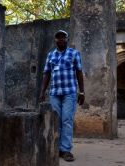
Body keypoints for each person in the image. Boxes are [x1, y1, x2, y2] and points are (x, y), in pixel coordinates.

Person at [39, 30, 85, 162]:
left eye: (63, 37)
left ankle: (66, 150)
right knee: (56, 121)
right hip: (54, 93)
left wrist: (81, 92)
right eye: (58, 38)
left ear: (67, 39)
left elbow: (79, 72)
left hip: (69, 93)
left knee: (67, 120)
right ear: (55, 40)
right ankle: (56, 148)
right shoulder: (50, 55)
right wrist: (42, 92)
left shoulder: (74, 53)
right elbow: (46, 74)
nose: (60, 40)